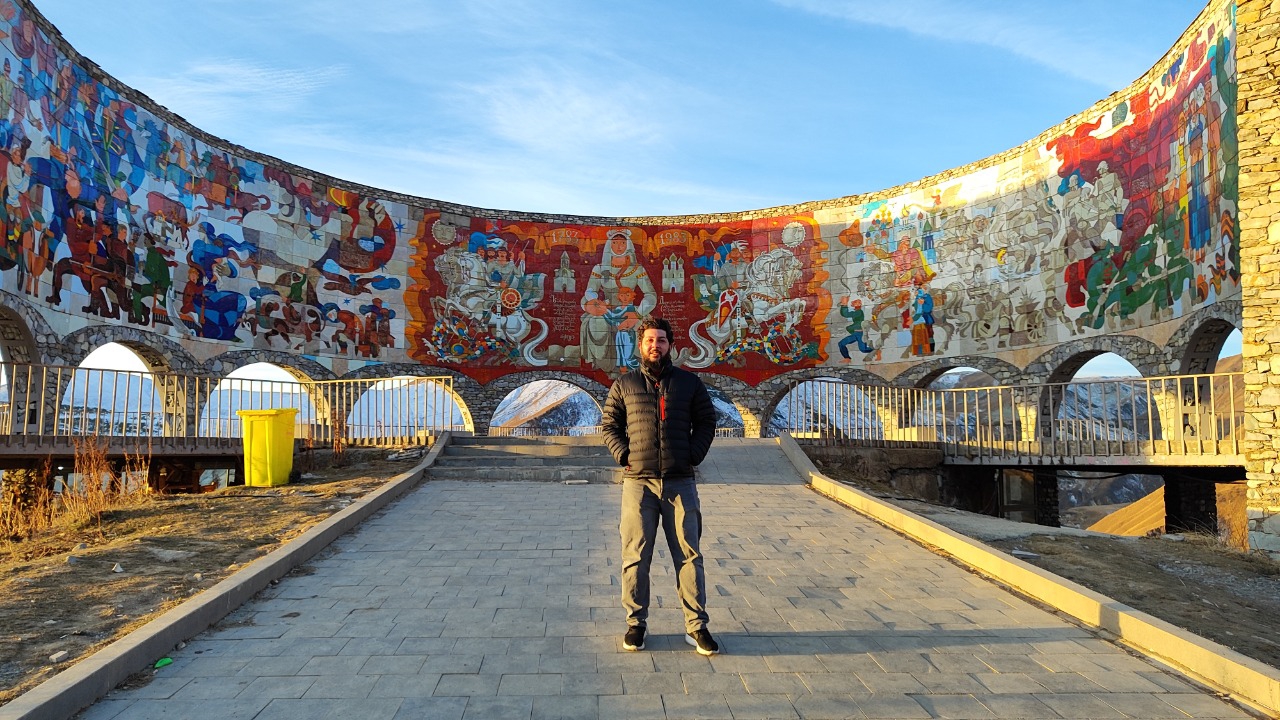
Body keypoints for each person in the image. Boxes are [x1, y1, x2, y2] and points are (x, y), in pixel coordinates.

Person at [601, 317, 720, 655]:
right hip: (638, 482)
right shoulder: (624, 384)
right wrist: (625, 455)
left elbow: (708, 420)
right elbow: (609, 424)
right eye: (650, 340)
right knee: (636, 556)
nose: (656, 346)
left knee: (689, 555)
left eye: (662, 340)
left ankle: (696, 626)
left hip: (680, 481)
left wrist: (693, 455)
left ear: (671, 345)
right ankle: (636, 623)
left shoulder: (688, 382)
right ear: (641, 345)